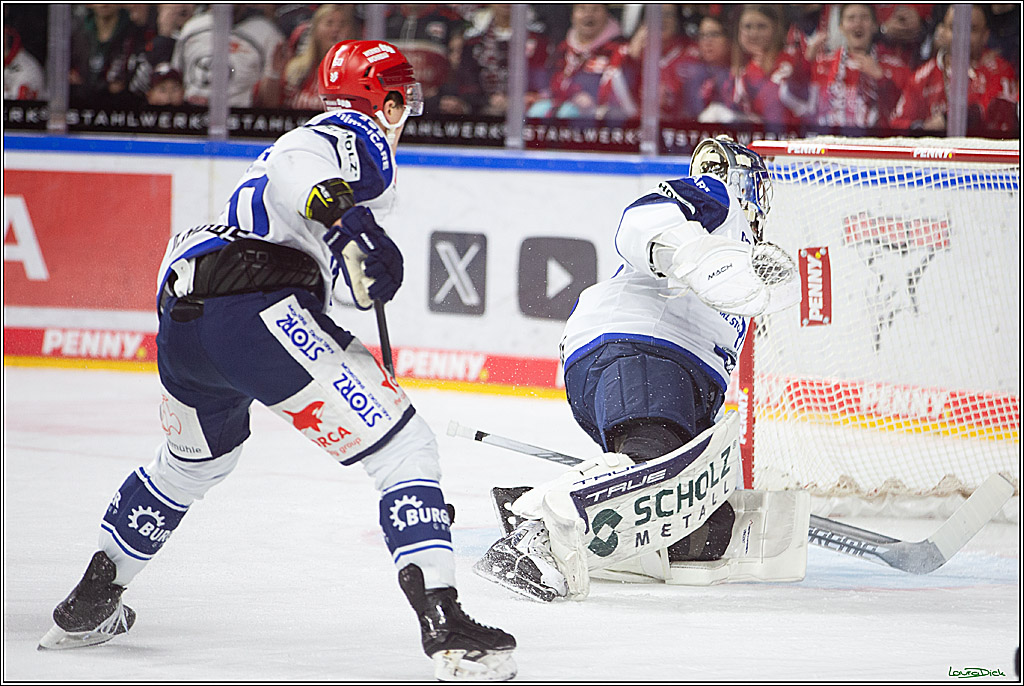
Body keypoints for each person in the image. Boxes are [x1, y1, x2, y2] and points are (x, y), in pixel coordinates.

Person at [37, 39, 517, 682]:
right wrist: (350, 223)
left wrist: (359, 267)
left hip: (185, 319)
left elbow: (323, 268)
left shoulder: (273, 192)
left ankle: (93, 596)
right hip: (254, 309)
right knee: (405, 451)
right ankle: (444, 619)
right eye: (404, 98)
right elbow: (300, 160)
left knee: (193, 466)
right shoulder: (355, 131)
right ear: (390, 98)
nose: (408, 111)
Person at [473, 136, 806, 602]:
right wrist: (694, 255)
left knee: (700, 532)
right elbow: (642, 221)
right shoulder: (718, 205)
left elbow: (778, 295)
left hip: (654, 368)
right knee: (658, 468)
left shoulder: (746, 263)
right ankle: (540, 531)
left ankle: (537, 502)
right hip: (641, 350)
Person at [891, 4, 1019, 133]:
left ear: (985, 35)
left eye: (971, 29)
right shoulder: (921, 77)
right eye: (954, 28)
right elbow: (897, 124)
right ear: (942, 31)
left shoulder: (1000, 71)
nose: (962, 36)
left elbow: (990, 113)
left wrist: (947, 120)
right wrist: (922, 128)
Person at [804, 3, 911, 129]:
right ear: (841, 27)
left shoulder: (896, 68)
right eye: (851, 18)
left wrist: (880, 77)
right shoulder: (822, 65)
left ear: (875, 25)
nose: (857, 24)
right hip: (830, 143)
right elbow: (798, 106)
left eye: (864, 18)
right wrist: (806, 63)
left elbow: (905, 114)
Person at [171, 5, 285, 108]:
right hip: (191, 116)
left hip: (240, 119)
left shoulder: (267, 34)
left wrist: (274, 75)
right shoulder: (192, 27)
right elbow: (175, 81)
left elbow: (270, 103)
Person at [717, 4, 813, 126]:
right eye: (747, 27)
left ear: (776, 28)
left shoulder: (795, 59)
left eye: (761, 26)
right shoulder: (736, 74)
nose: (753, 33)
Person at [527, 3, 627, 119]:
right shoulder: (563, 48)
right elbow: (551, 83)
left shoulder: (620, 50)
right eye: (582, 9)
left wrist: (592, 101)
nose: (588, 15)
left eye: (595, 9)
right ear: (572, 16)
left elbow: (620, 93)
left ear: (606, 14)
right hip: (560, 110)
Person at [280, 4, 360, 110]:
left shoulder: (356, 73)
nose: (336, 29)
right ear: (316, 29)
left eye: (342, 24)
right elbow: (276, 106)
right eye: (329, 23)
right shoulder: (296, 70)